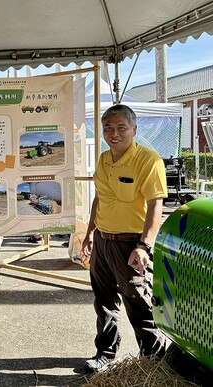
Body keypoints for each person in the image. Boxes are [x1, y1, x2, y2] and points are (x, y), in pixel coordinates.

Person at [80, 104, 167, 372]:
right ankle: (105, 354)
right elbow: (100, 198)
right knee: (104, 301)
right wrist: (90, 233)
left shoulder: (149, 161)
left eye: (121, 128)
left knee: (138, 301)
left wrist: (144, 246)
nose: (113, 133)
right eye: (108, 128)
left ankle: (154, 363)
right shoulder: (104, 159)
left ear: (134, 130)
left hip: (131, 243)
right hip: (103, 242)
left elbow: (155, 206)